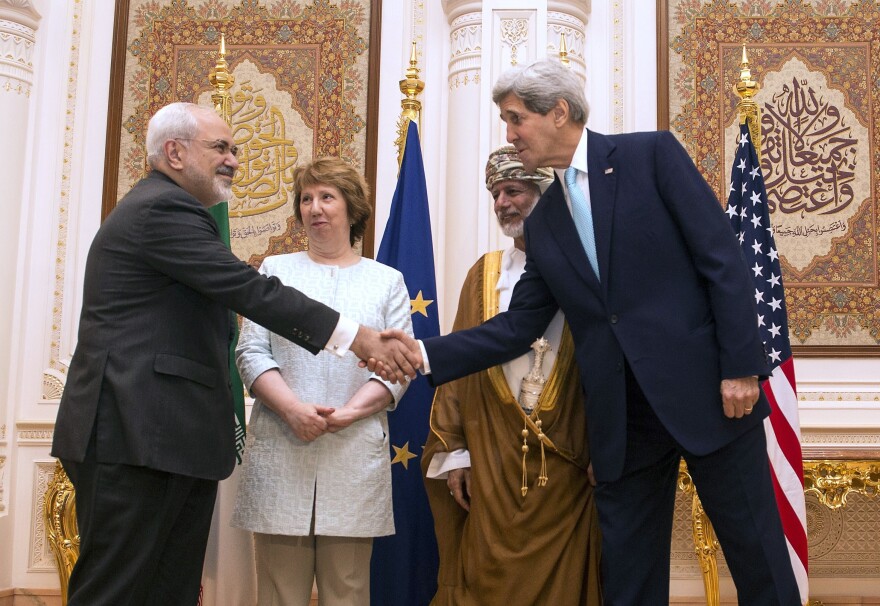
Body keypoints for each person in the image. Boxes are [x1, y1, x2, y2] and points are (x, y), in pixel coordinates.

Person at [386, 59, 801, 604]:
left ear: (559, 112)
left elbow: (723, 261)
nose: (509, 135)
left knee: (758, 562)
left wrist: (741, 367)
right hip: (622, 425)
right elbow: (517, 327)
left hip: (710, 397)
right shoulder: (546, 219)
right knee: (628, 580)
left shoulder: (649, 156)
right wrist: (420, 352)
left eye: (516, 119)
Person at [50, 102, 418, 606]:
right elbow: (249, 292)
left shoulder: (177, 212)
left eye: (236, 149)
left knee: (163, 589)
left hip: (163, 439)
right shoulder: (162, 208)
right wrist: (358, 338)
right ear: (174, 153)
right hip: (133, 436)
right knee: (118, 590)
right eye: (220, 147)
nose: (233, 160)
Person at [421, 146, 601, 605]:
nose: (502, 202)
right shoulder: (486, 274)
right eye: (495, 193)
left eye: (514, 190)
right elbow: (457, 371)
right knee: (485, 574)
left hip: (570, 463)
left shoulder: (591, 266)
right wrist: (456, 452)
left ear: (545, 193)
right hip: (491, 457)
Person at [231, 157, 413, 606]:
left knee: (348, 593)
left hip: (354, 454)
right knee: (277, 594)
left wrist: (349, 414)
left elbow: (397, 366)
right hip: (281, 448)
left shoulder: (386, 281)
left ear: (352, 210)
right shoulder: (275, 270)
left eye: (327, 197)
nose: (315, 208)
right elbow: (250, 352)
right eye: (306, 199)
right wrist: (293, 410)